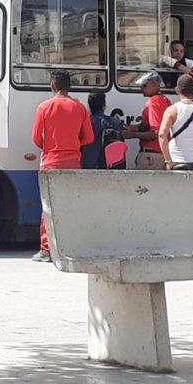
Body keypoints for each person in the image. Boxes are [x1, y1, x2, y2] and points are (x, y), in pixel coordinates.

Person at [30, 70, 93, 263]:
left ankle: (46, 249)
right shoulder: (79, 108)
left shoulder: (44, 107)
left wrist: (49, 147)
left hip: (50, 162)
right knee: (70, 205)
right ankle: (70, 247)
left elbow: (35, 138)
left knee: (48, 206)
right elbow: (89, 137)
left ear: (52, 86)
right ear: (69, 86)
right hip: (73, 161)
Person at [131, 72, 172, 170]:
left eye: (144, 85)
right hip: (161, 154)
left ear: (155, 84)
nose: (141, 89)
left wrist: (132, 135)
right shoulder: (165, 100)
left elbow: (156, 133)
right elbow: (145, 127)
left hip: (152, 156)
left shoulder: (153, 102)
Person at [81, 90, 128, 169]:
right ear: (104, 105)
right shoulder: (115, 122)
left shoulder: (85, 123)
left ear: (89, 106)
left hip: (88, 165)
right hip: (111, 165)